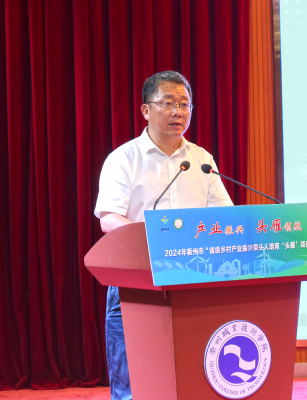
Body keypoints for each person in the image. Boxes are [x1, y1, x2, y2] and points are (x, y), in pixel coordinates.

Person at [94, 70, 233, 400]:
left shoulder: (201, 160)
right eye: (168, 103)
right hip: (137, 280)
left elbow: (224, 218)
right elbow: (109, 218)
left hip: (194, 278)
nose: (177, 112)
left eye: (184, 104)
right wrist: (156, 241)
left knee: (193, 373)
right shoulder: (123, 159)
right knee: (135, 381)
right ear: (146, 110)